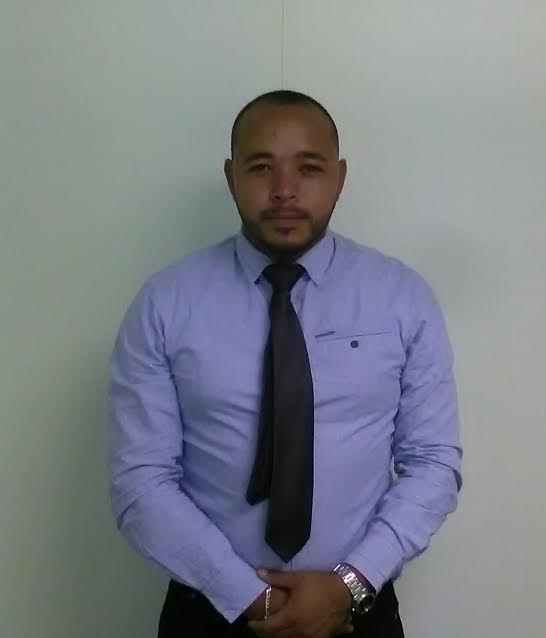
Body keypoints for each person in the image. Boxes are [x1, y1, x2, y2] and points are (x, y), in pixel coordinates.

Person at [107, 90, 462, 638]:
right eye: (260, 168)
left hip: (357, 610)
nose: (284, 191)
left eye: (309, 168)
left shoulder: (401, 298)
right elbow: (141, 480)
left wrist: (347, 586)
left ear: (340, 177)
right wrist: (250, 597)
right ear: (231, 177)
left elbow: (433, 463)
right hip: (209, 613)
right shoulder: (166, 303)